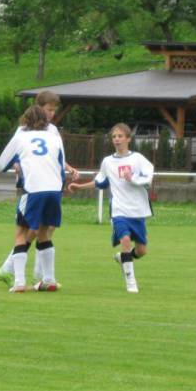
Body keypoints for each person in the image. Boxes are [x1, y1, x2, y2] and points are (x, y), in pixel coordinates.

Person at [0, 91, 77, 283]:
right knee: (33, 229)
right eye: (49, 109)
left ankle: (37, 275)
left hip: (50, 183)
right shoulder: (23, 130)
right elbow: (16, 153)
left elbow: (56, 157)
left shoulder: (53, 130)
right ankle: (18, 270)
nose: (52, 113)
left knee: (45, 229)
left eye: (54, 110)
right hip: (33, 184)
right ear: (38, 107)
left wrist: (67, 168)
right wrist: (17, 163)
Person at [0, 105, 66, 293]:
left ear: (25, 120)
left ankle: (19, 282)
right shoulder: (55, 138)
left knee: (21, 232)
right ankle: (49, 279)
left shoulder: (20, 137)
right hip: (54, 190)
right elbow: (61, 167)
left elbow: (1, 166)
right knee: (44, 232)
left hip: (33, 190)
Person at [68, 123, 153, 293]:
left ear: (128, 139)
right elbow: (100, 182)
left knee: (142, 251)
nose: (117, 139)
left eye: (120, 136)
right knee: (125, 241)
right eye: (114, 136)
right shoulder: (108, 162)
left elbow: (148, 178)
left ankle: (123, 258)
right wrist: (79, 186)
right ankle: (131, 282)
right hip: (119, 211)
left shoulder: (138, 159)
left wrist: (133, 178)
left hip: (137, 211)